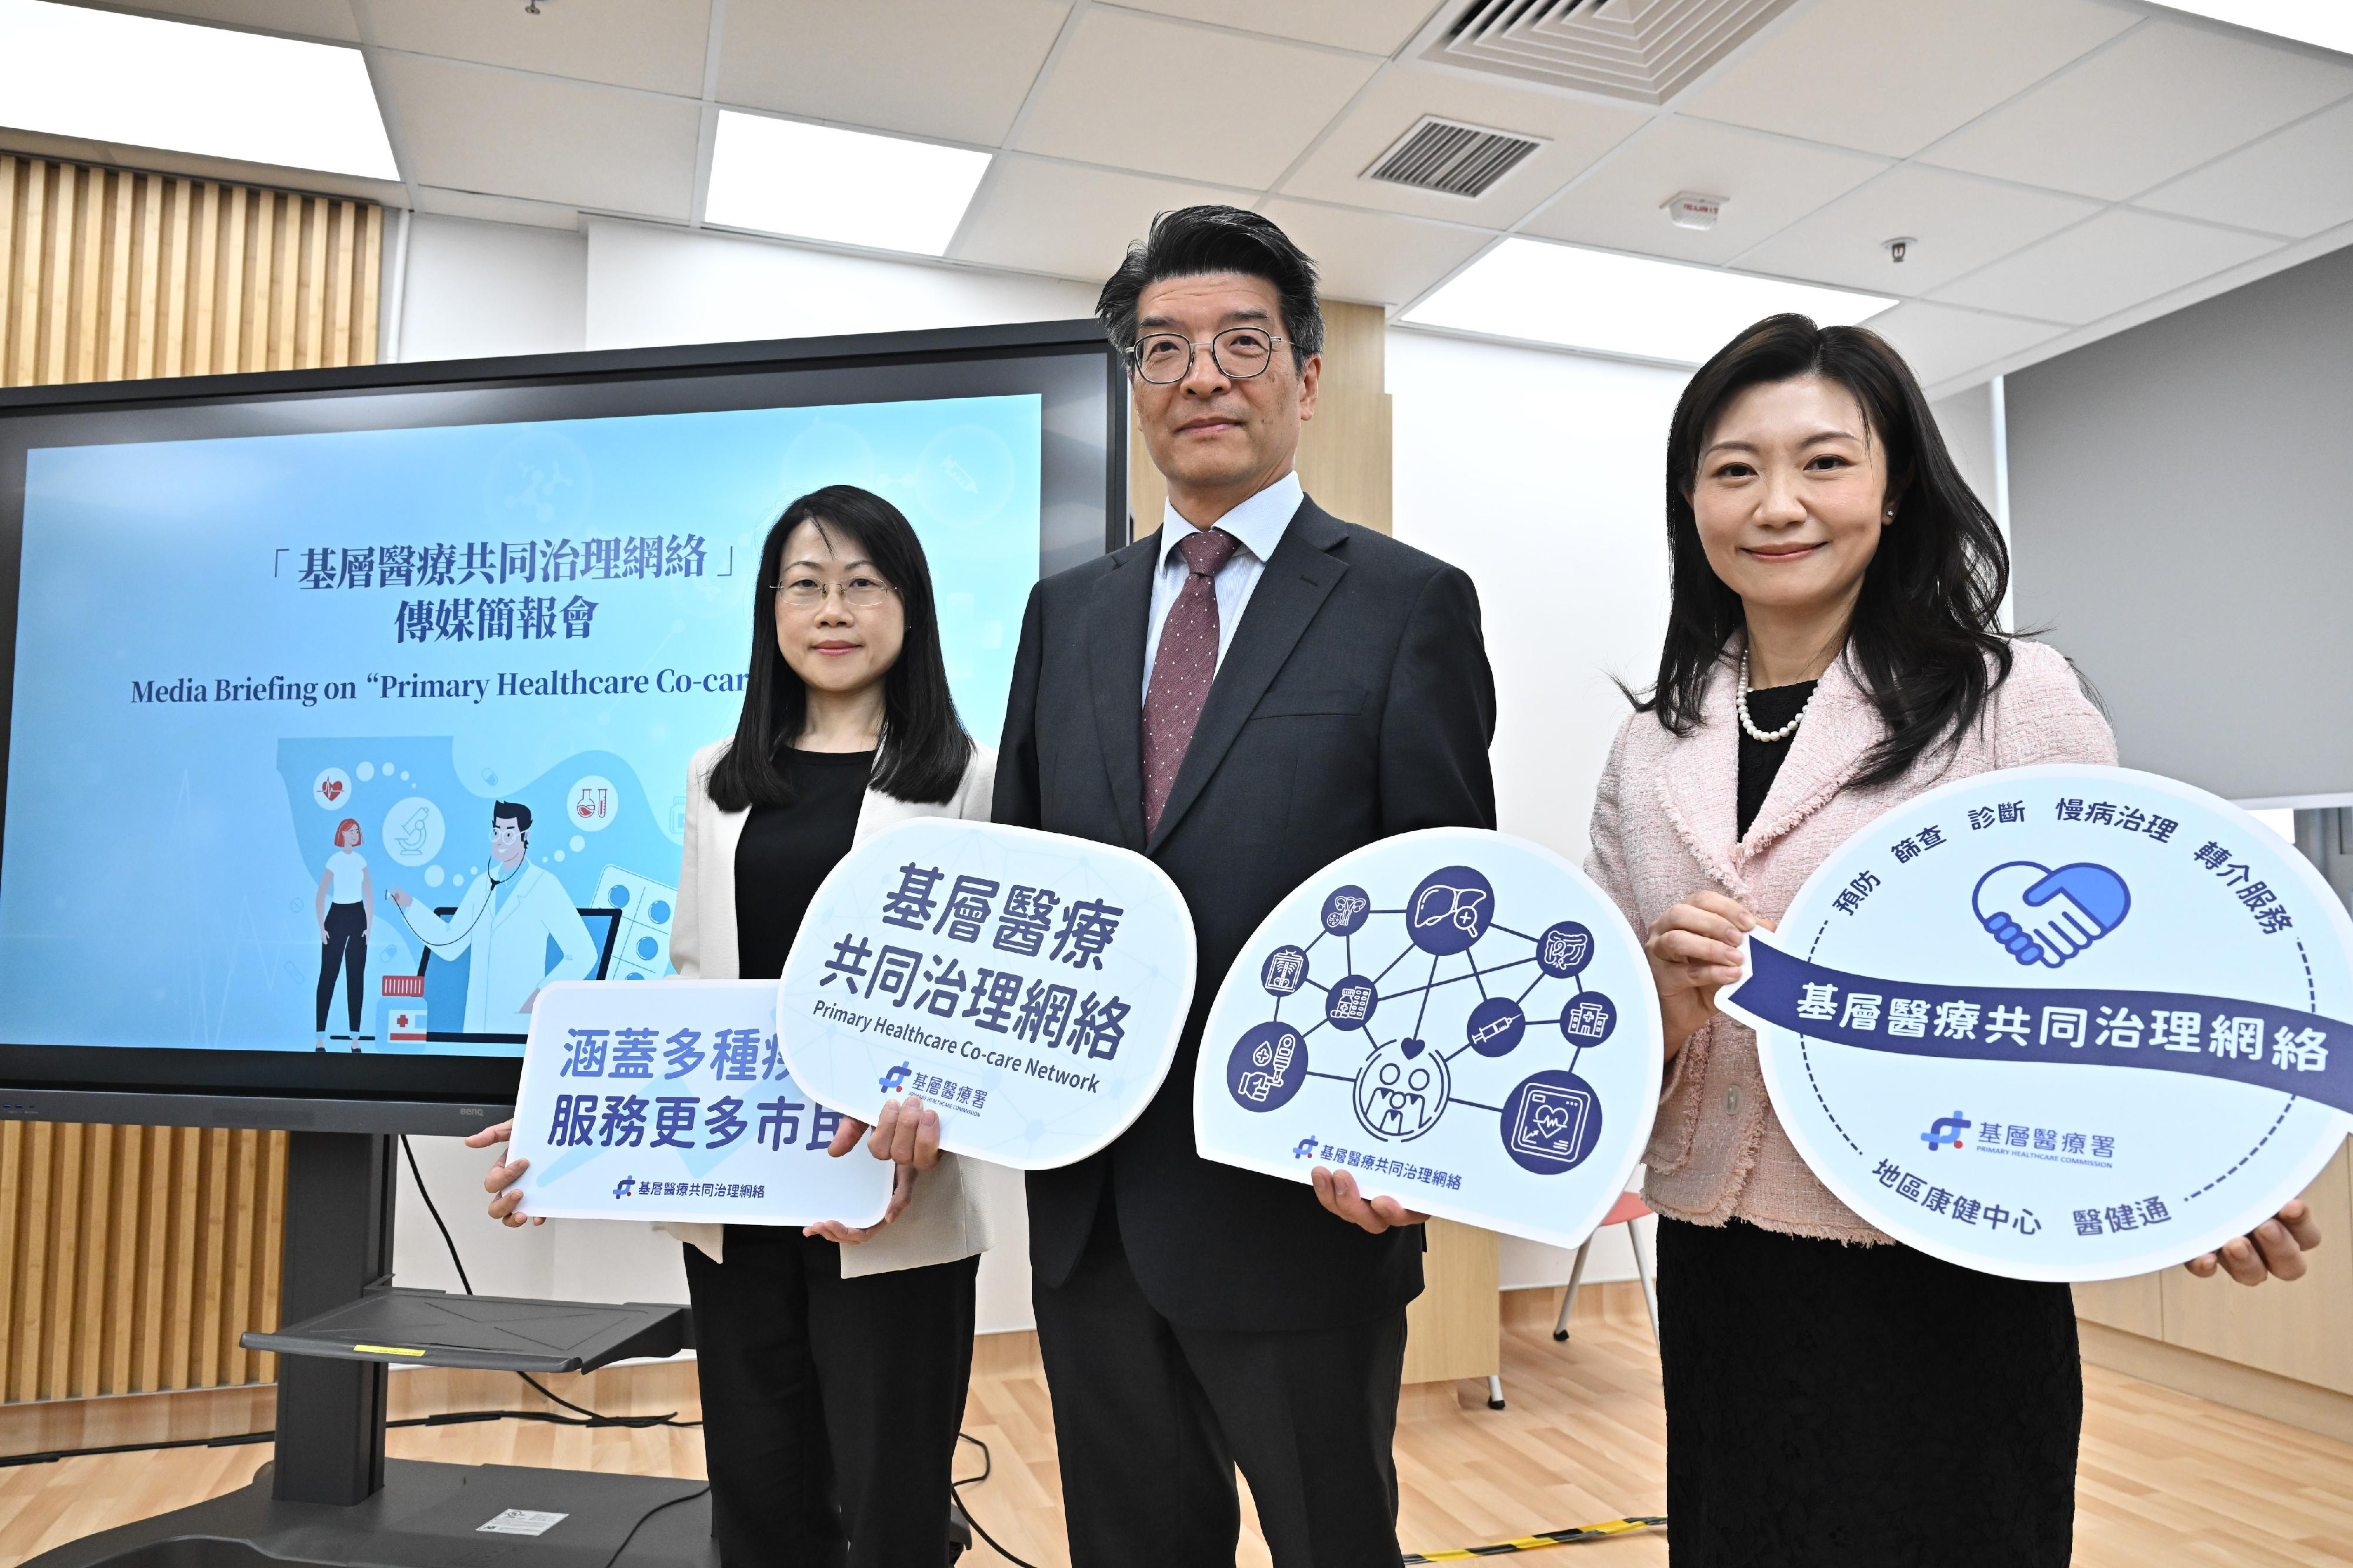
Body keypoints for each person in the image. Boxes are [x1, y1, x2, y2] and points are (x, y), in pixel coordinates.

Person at [1590, 312, 2323, 1566]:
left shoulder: (2006, 702)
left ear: (1893, 491)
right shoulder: (1652, 743)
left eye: (1824, 461)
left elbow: (2122, 971)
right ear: (1688, 502)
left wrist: (2215, 1168)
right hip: (1723, 1263)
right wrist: (1658, 1002)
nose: (1777, 503)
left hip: (1946, 1254)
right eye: (1732, 469)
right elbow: (1596, 1035)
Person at [991, 205, 1497, 1568]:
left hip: (1303, 1202)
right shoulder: (1066, 613)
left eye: (1238, 342)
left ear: (1305, 376)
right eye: (1161, 347)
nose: (1200, 374)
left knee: (1334, 1540)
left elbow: (1444, 907)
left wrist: (1407, 1139)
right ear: (1132, 381)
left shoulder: (1406, 604)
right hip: (1093, 1206)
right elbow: (1019, 880)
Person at [472, 485, 995, 1568]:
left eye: (863, 584)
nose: (832, 610)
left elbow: (986, 1002)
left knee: (896, 1508)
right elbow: (695, 983)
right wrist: (565, 1112)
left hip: (889, 1202)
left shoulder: (970, 778)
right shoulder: (718, 775)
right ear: (771, 611)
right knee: (759, 1501)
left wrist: (934, 1112)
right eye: (805, 587)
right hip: (738, 1194)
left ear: (911, 606)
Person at [386, 801, 596, 1033]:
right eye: (496, 832)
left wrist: (540, 997)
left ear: (526, 836)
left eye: (509, 834)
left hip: (521, 1020)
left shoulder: (544, 885)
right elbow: (451, 944)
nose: (500, 840)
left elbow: (583, 954)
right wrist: (410, 906)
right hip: (478, 1023)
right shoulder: (482, 886)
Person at [314, 816, 374, 1049]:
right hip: (337, 916)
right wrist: (321, 927)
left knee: (356, 978)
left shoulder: (361, 861)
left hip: (358, 916)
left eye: (357, 831)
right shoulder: (334, 860)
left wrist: (369, 926)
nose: (355, 834)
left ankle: (355, 1040)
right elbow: (320, 896)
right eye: (350, 831)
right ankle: (320, 1038)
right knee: (328, 976)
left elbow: (369, 894)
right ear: (342, 834)